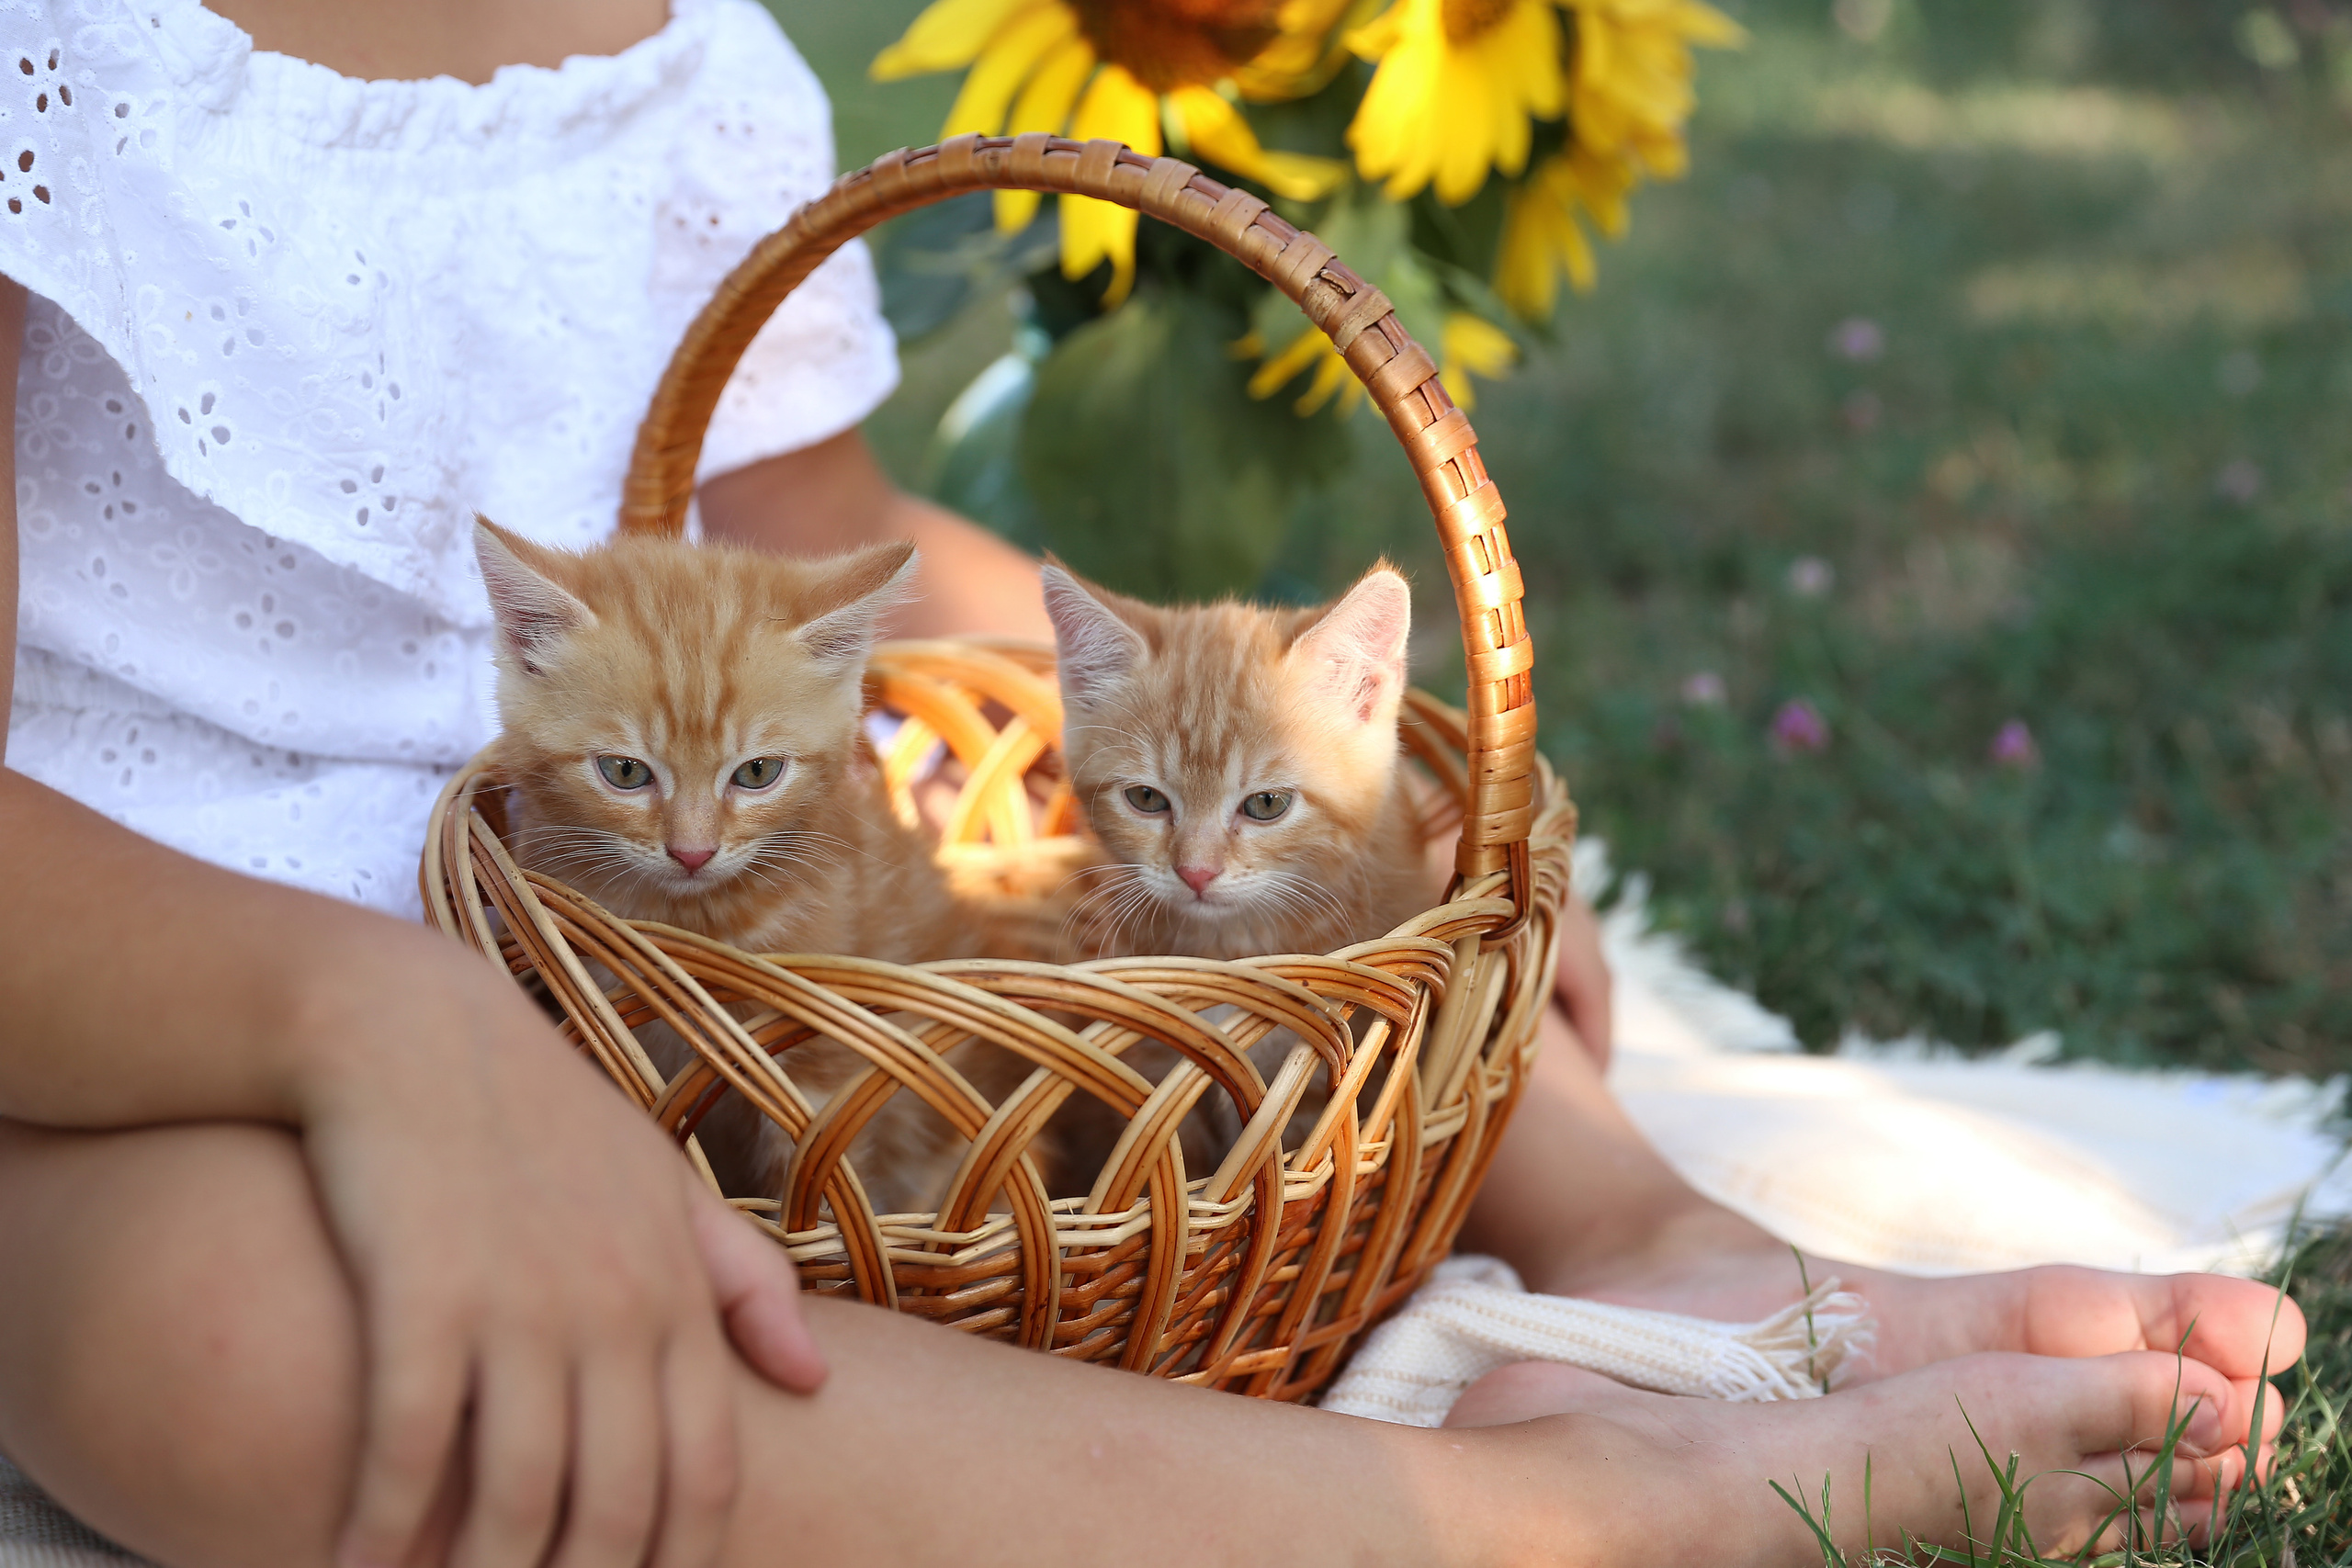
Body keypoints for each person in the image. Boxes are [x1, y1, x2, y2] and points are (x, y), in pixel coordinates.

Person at [0, 2, 2301, 1564]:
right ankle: (1545, 1514)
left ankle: (1644, 1243)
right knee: (240, 1342)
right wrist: (375, 1016)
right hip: (158, 1007)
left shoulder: (683, 60)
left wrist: (1294, 726)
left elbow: (820, 542)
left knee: (1249, 871)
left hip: (722, 952)